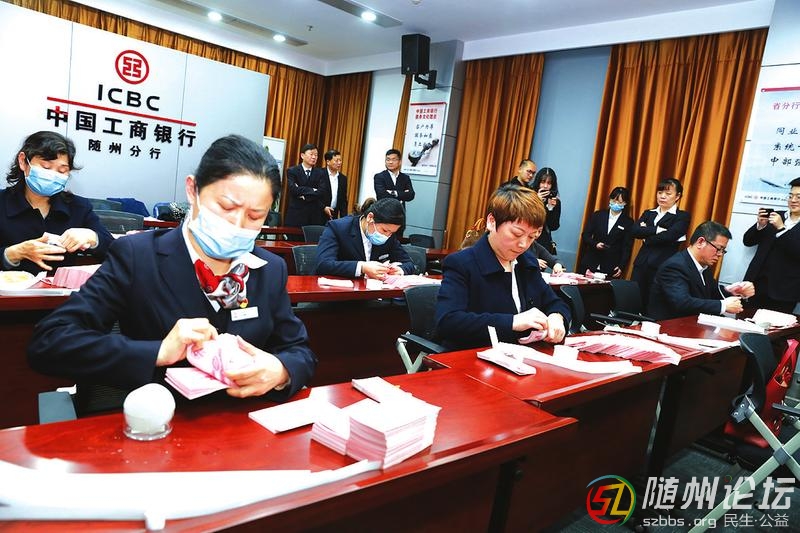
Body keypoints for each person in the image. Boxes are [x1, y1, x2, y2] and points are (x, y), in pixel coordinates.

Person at [28, 135, 316, 401]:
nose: (237, 225)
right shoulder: (138, 257)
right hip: (160, 421)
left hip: (241, 424)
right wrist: (158, 351)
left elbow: (300, 351)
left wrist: (281, 370)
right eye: (226, 207)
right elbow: (50, 342)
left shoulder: (269, 268)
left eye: (255, 216)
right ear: (193, 190)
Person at [435, 184, 570, 351]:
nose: (523, 244)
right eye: (516, 234)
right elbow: (448, 321)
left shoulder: (526, 262)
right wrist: (513, 322)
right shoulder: (461, 263)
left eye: (531, 237)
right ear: (492, 222)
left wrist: (557, 317)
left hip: (518, 355)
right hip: (473, 355)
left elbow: (555, 302)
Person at [1, 131, 113, 274]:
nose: (53, 175)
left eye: (62, 171)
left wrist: (93, 237)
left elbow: (116, 252)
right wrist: (13, 253)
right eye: (46, 167)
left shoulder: (78, 207)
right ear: (23, 161)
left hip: (61, 288)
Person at [648, 221, 755, 321]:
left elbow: (710, 294)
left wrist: (732, 291)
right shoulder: (675, 266)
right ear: (700, 242)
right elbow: (682, 302)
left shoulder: (703, 266)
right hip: (669, 325)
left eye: (723, 250)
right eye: (718, 248)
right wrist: (722, 306)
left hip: (693, 323)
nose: (720, 254)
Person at [315, 197, 414, 279]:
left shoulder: (389, 236)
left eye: (391, 233)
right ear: (370, 218)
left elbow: (409, 263)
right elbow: (323, 265)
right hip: (337, 292)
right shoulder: (338, 228)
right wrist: (362, 267)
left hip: (372, 292)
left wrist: (399, 270)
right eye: (384, 230)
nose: (387, 236)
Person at [631, 178, 691, 309]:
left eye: (668, 194)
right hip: (641, 263)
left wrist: (646, 236)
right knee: (633, 300)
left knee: (653, 303)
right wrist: (657, 230)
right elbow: (634, 231)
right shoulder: (649, 213)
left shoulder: (682, 216)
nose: (662, 196)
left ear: (677, 196)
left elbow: (670, 236)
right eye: (660, 192)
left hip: (662, 265)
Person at [742, 177, 800, 313]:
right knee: (744, 320)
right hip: (755, 286)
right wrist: (760, 226)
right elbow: (748, 241)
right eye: (790, 196)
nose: (793, 200)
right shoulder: (776, 215)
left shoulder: (778, 222)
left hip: (784, 292)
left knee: (776, 326)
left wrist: (781, 229)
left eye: (798, 197)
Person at [579, 186, 634, 278]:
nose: (615, 204)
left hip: (611, 265)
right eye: (613, 200)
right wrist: (595, 244)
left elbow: (627, 247)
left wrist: (621, 265)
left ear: (625, 203)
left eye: (619, 202)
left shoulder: (628, 222)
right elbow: (585, 235)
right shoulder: (598, 215)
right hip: (591, 260)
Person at [284, 143, 326, 227]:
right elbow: (293, 190)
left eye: (316, 155)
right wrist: (312, 190)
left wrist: (304, 195)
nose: (314, 157)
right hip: (296, 216)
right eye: (311, 154)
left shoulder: (321, 173)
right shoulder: (292, 171)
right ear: (302, 155)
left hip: (313, 217)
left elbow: (321, 192)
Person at [530, 167, 561, 254]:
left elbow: (554, 226)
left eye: (549, 183)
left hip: (543, 242)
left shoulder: (555, 201)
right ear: (538, 182)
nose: (545, 186)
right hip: (527, 236)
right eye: (543, 182)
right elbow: (523, 216)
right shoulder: (529, 195)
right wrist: (536, 200)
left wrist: (550, 209)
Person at [322, 149, 348, 220]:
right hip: (319, 213)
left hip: (334, 215)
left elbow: (343, 201)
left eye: (340, 160)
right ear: (328, 162)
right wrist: (323, 207)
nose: (339, 163)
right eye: (336, 161)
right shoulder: (319, 174)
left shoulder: (343, 178)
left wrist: (344, 219)